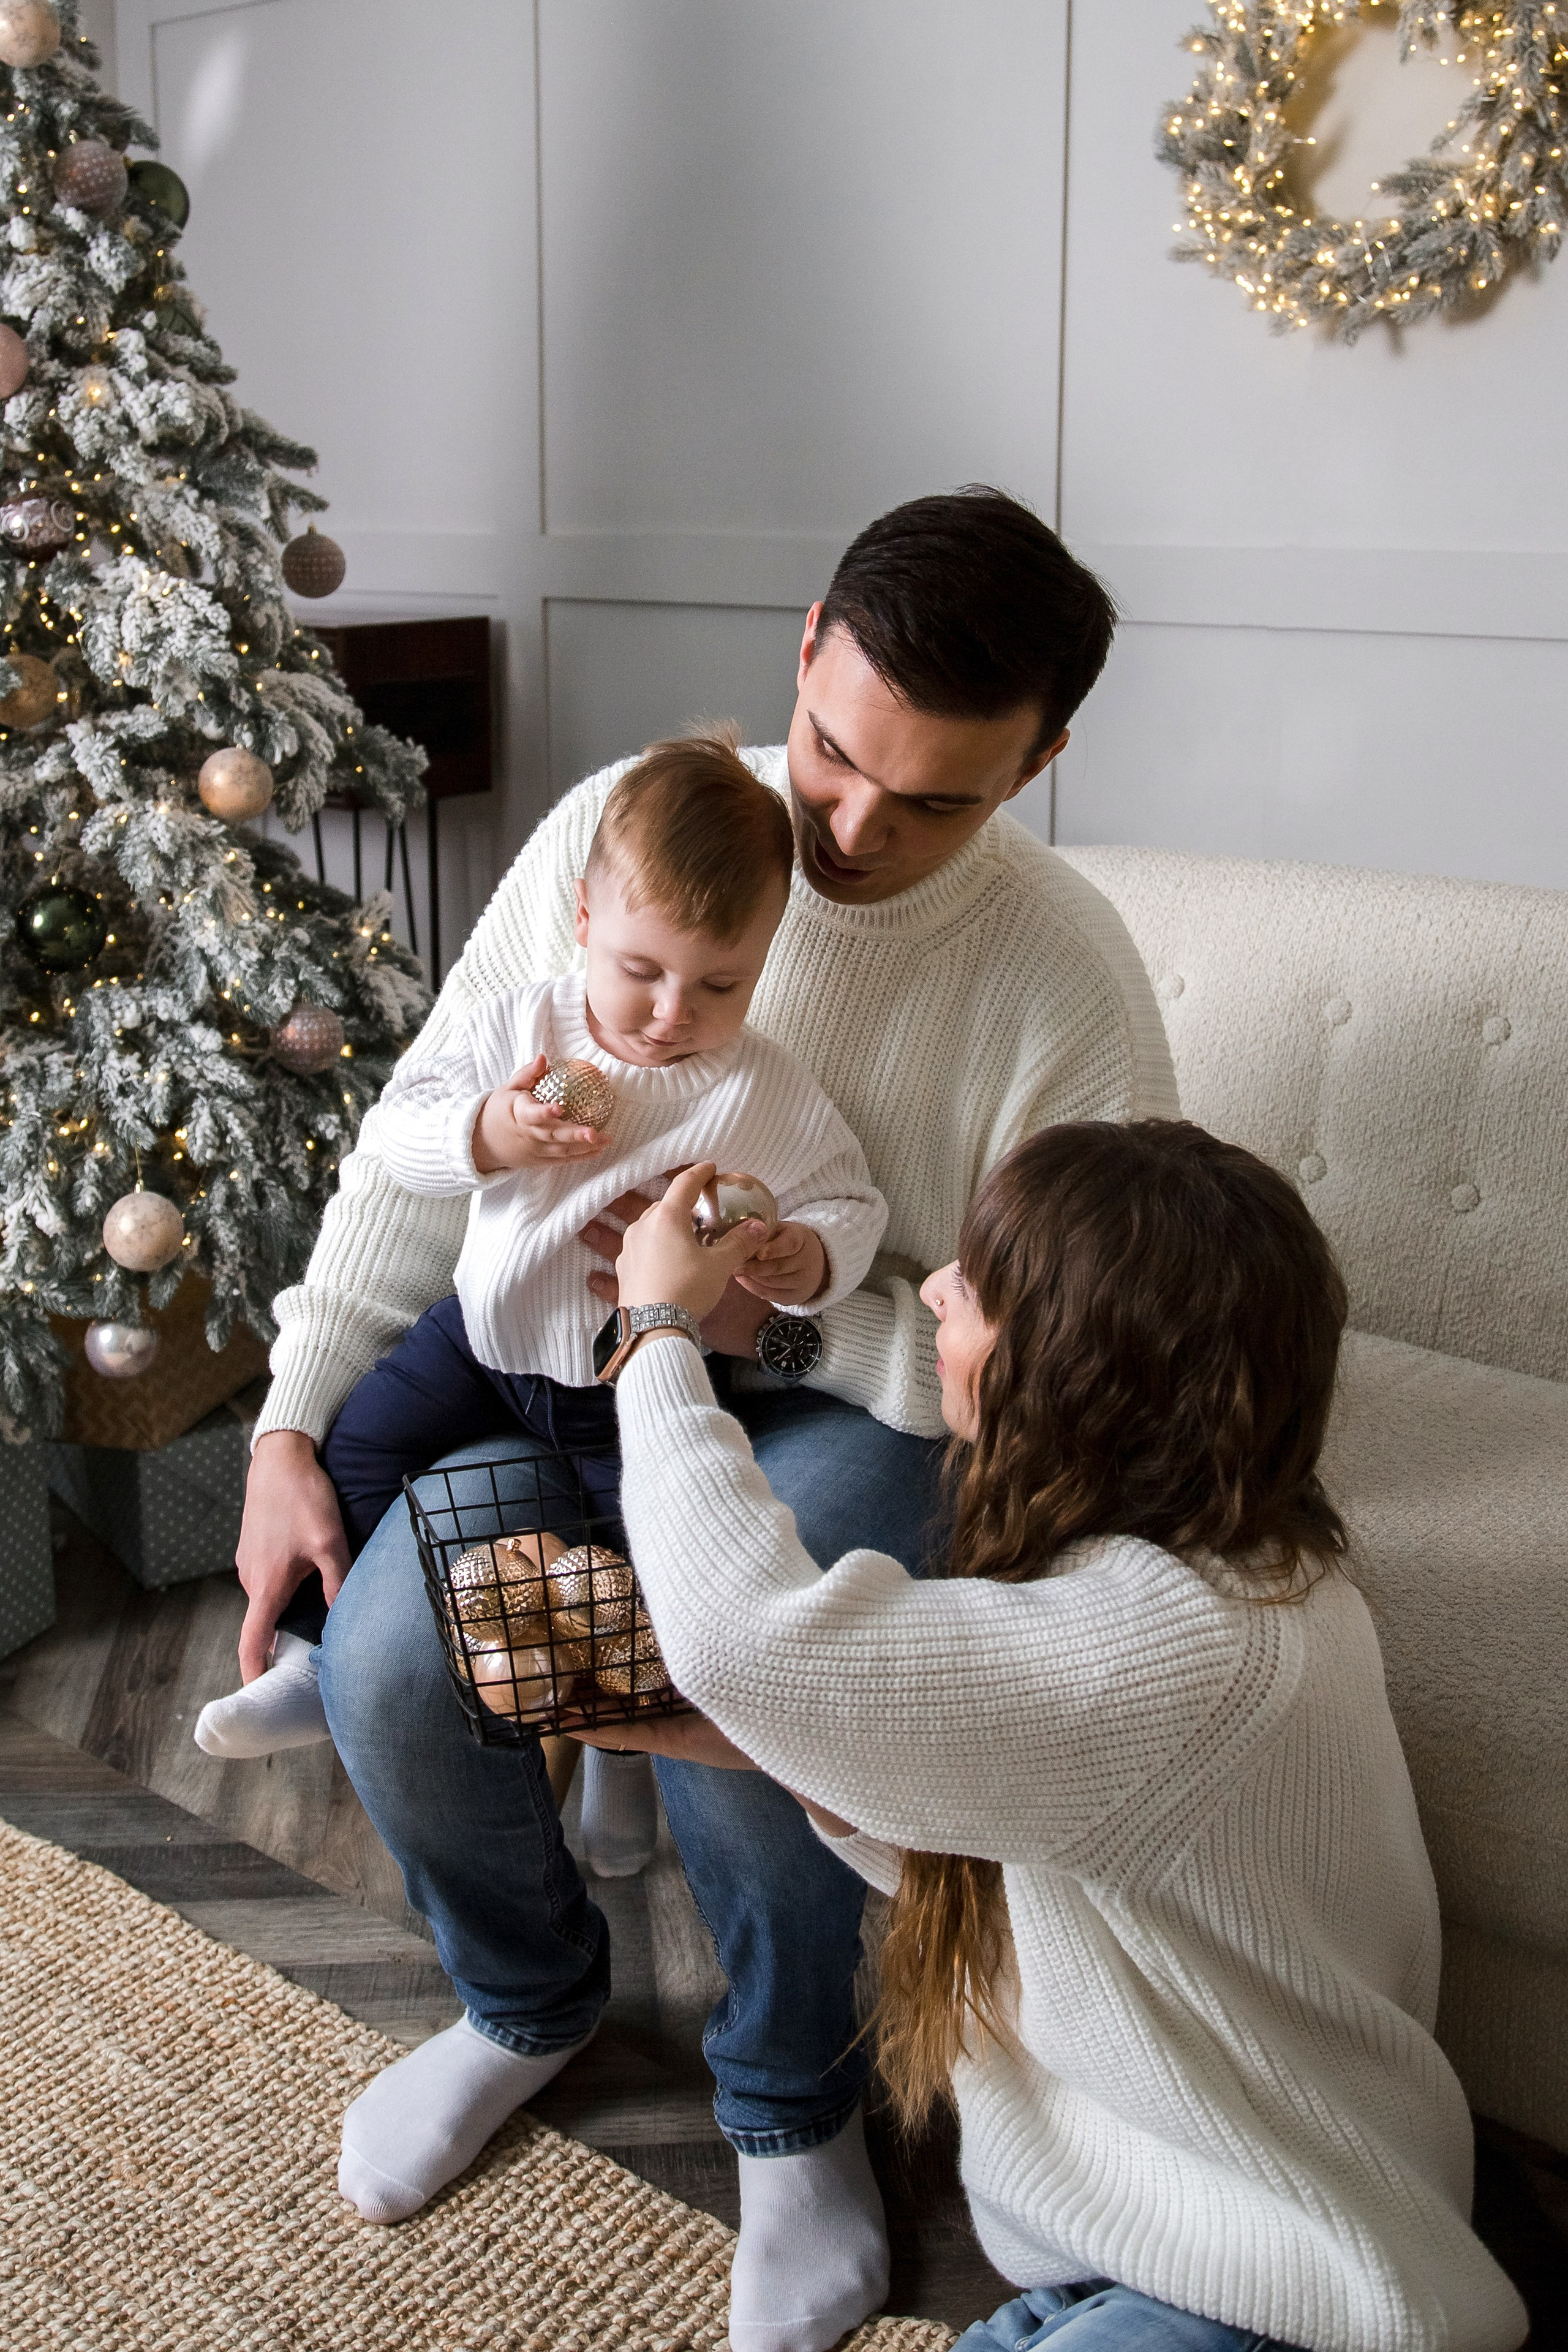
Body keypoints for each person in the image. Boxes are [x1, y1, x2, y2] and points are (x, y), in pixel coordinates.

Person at [235, 487, 1179, 2352]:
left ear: (1043, 762)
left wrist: (765, 1306)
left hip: (834, 1396)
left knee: (764, 1641)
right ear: (805, 644)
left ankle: (790, 2106)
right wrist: (286, 1423)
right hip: (544, 1364)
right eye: (832, 756)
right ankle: (524, 2001)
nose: (849, 832)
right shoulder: (627, 824)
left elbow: (1077, 1338)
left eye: (932, 804)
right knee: (397, 1665)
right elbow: (435, 1136)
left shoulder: (1064, 976)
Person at [594, 1139, 1529, 2352]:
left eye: (969, 1281)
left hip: (1282, 2290)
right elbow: (860, 1351)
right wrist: (759, 1314)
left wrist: (650, 1328)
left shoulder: (1164, 1648)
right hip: (1140, 2250)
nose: (933, 1283)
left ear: (1077, 1371)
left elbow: (749, 1643)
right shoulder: (1238, 1554)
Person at [194, 733, 884, 1768]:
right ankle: (314, 1659)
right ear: (584, 922)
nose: (668, 1015)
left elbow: (850, 1202)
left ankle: (624, 1752)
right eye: (641, 971)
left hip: (632, 1387)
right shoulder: (522, 1028)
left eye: (718, 987)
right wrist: (486, 1133)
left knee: (646, 1575)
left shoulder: (763, 1090)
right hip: (481, 1335)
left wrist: (807, 1263)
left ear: (764, 964)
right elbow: (395, 1132)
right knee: (361, 1451)